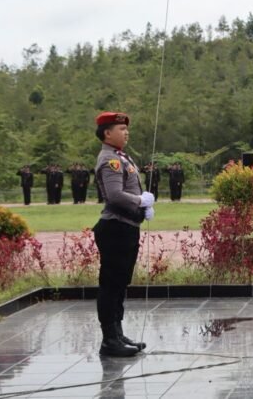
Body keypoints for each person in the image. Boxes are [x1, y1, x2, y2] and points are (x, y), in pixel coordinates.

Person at [92, 111, 154, 357]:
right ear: (107, 133)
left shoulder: (121, 157)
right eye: (120, 129)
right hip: (115, 229)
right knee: (110, 286)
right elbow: (115, 195)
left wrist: (142, 209)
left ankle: (117, 334)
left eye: (126, 129)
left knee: (119, 285)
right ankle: (109, 340)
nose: (126, 132)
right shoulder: (110, 160)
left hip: (126, 227)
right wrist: (140, 201)